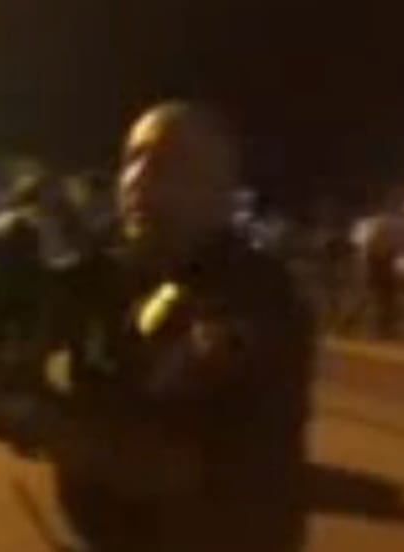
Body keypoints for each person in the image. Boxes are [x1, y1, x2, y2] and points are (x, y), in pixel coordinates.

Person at [52, 103, 315, 552]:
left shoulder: (254, 292)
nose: (137, 179)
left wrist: (30, 418)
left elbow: (163, 458)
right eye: (132, 159)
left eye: (167, 163)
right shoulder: (123, 279)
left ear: (220, 192)